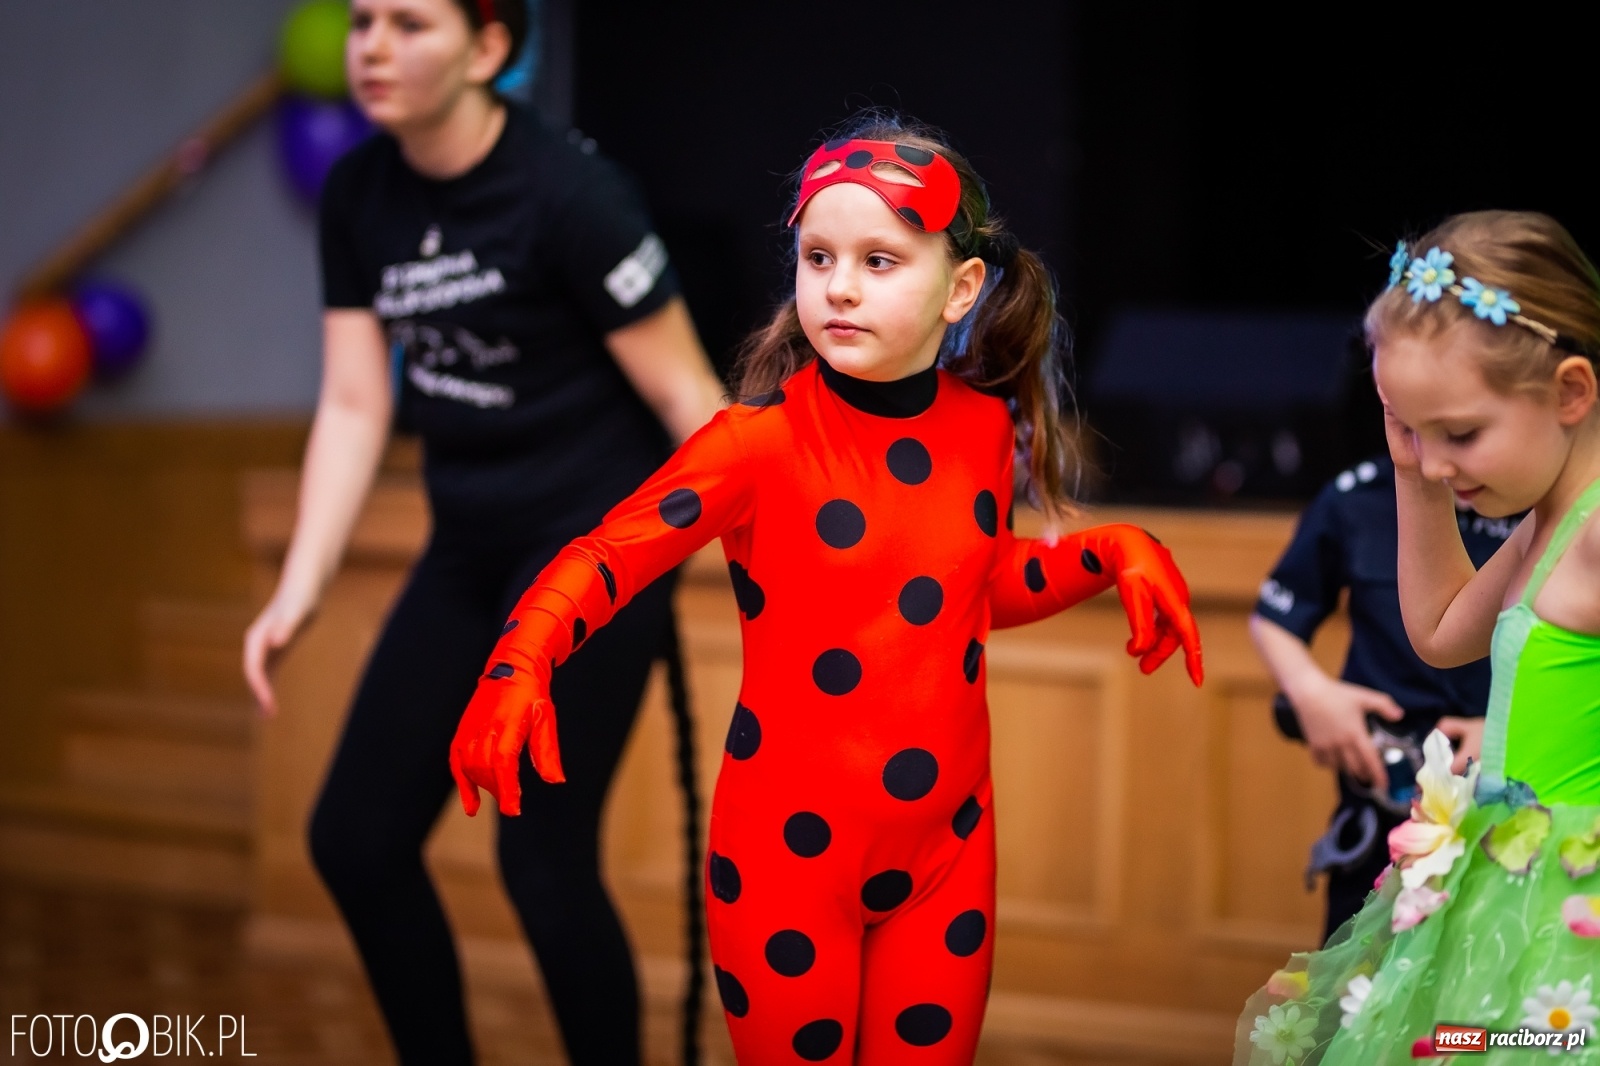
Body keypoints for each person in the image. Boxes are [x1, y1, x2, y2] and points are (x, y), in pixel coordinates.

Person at [450, 112, 1205, 1065]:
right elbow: (608, 555)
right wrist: (520, 659)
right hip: (782, 865)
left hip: (948, 852)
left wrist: (1111, 551)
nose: (839, 287)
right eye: (817, 257)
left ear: (962, 287)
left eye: (879, 261)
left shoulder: (983, 428)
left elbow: (959, 590)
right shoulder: (754, 445)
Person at [239, 2, 725, 1064]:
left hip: (591, 557)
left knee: (542, 861)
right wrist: (302, 586)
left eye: (409, 24)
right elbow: (359, 402)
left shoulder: (572, 193)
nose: (371, 47)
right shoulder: (358, 193)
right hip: (467, 547)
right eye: (363, 20)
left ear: (488, 49)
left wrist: (792, 564)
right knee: (355, 842)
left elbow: (692, 399)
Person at [1237, 211, 1600, 1065]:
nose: (1436, 461)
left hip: (1567, 910)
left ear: (1571, 392)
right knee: (1454, 1044)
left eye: (1460, 433)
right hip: (1508, 887)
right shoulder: (1547, 521)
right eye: (1410, 427)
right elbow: (1439, 632)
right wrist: (1415, 473)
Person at [1252, 454, 1520, 942]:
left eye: (1465, 434)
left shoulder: (1559, 516)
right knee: (1355, 1005)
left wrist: (1510, 731)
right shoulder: (1359, 496)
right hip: (1382, 818)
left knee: (1476, 1017)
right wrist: (1313, 693)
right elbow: (1276, 615)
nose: (1443, 460)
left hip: (1513, 827)